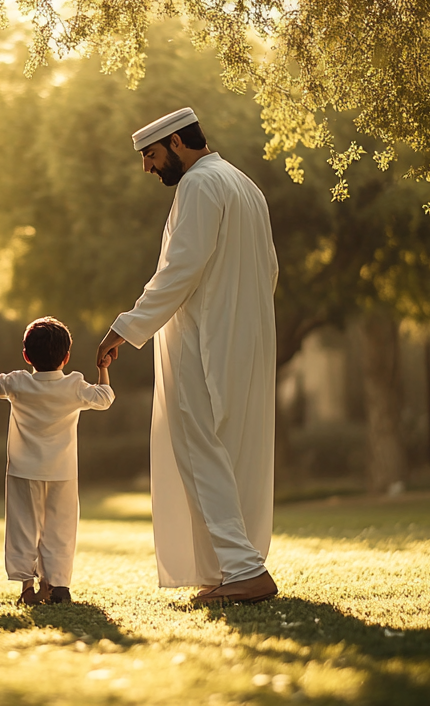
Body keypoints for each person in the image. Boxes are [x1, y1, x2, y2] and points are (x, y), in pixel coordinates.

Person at [95, 107, 280, 605]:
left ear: (176, 143)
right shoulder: (243, 183)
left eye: (151, 155)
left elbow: (181, 269)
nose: (148, 168)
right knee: (230, 454)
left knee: (199, 451)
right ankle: (229, 568)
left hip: (203, 338)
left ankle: (243, 569)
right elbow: (269, 268)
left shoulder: (199, 185)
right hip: (245, 336)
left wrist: (126, 326)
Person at [0, 317, 114, 605]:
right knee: (60, 528)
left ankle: (27, 588)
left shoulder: (18, 383)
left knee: (23, 526)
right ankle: (57, 585)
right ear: (67, 357)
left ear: (26, 356)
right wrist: (102, 369)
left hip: (23, 471)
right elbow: (105, 397)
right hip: (62, 472)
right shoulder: (73, 385)